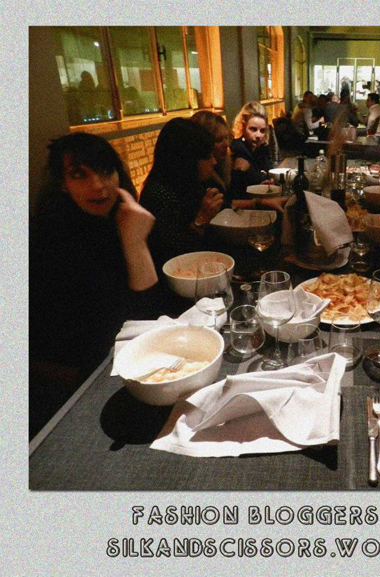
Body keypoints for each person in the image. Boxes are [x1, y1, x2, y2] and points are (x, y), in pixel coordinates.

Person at [30, 133, 160, 435]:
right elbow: (134, 321)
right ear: (62, 184)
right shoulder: (49, 244)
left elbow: (146, 316)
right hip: (74, 385)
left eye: (105, 170)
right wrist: (135, 245)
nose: (99, 185)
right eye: (80, 175)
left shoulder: (119, 220)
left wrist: (134, 239)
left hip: (120, 360)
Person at [140, 117, 223, 268]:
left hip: (204, 266)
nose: (214, 162)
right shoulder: (158, 194)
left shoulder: (190, 183)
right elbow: (174, 255)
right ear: (187, 159)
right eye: (207, 157)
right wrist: (201, 219)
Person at [192, 110, 286, 215]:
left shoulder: (225, 161)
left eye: (226, 138)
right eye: (219, 140)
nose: (226, 144)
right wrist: (259, 202)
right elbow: (226, 203)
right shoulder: (238, 150)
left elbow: (238, 195)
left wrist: (259, 187)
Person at [229, 102, 275, 198]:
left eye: (262, 130)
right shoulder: (238, 149)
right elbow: (236, 190)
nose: (258, 135)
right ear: (243, 127)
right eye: (253, 129)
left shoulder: (262, 147)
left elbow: (269, 172)